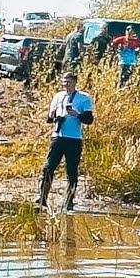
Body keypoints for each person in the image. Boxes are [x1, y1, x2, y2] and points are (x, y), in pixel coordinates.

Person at [36, 71, 94, 211]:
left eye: (68, 81)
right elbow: (49, 118)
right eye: (64, 81)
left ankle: (69, 201)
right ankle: (42, 198)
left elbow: (89, 120)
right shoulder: (58, 96)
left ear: (74, 82)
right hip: (58, 136)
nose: (65, 84)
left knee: (71, 170)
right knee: (48, 167)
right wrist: (54, 115)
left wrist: (77, 114)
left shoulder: (84, 98)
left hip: (74, 139)